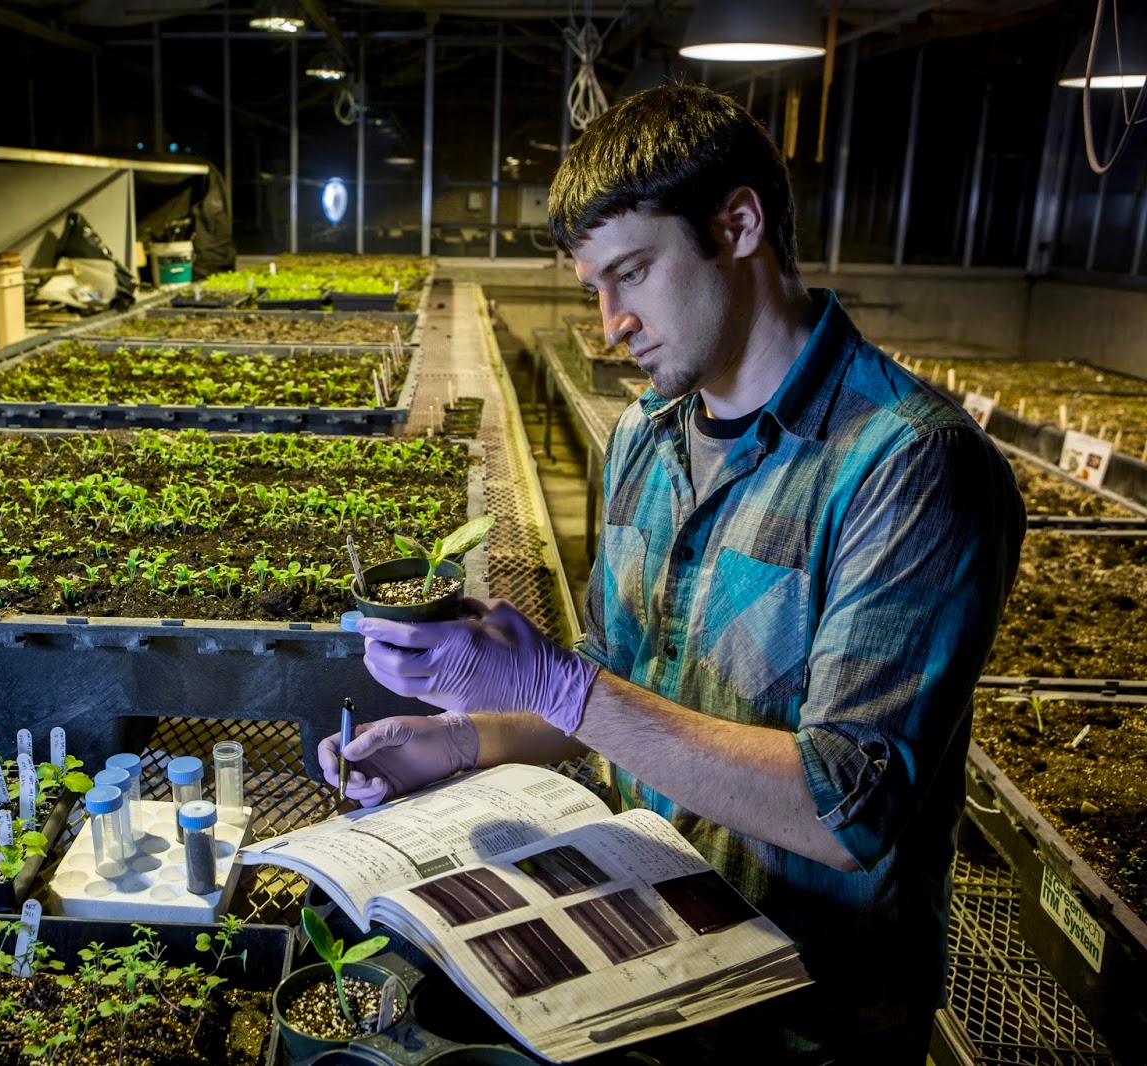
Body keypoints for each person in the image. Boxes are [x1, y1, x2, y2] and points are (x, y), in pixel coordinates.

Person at [320, 83, 1025, 1064]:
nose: (611, 322)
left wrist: (555, 683)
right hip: (645, 957)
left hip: (806, 1021)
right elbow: (619, 690)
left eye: (633, 273)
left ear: (737, 225)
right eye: (594, 289)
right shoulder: (645, 437)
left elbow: (844, 811)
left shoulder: (908, 466)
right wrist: (460, 741)